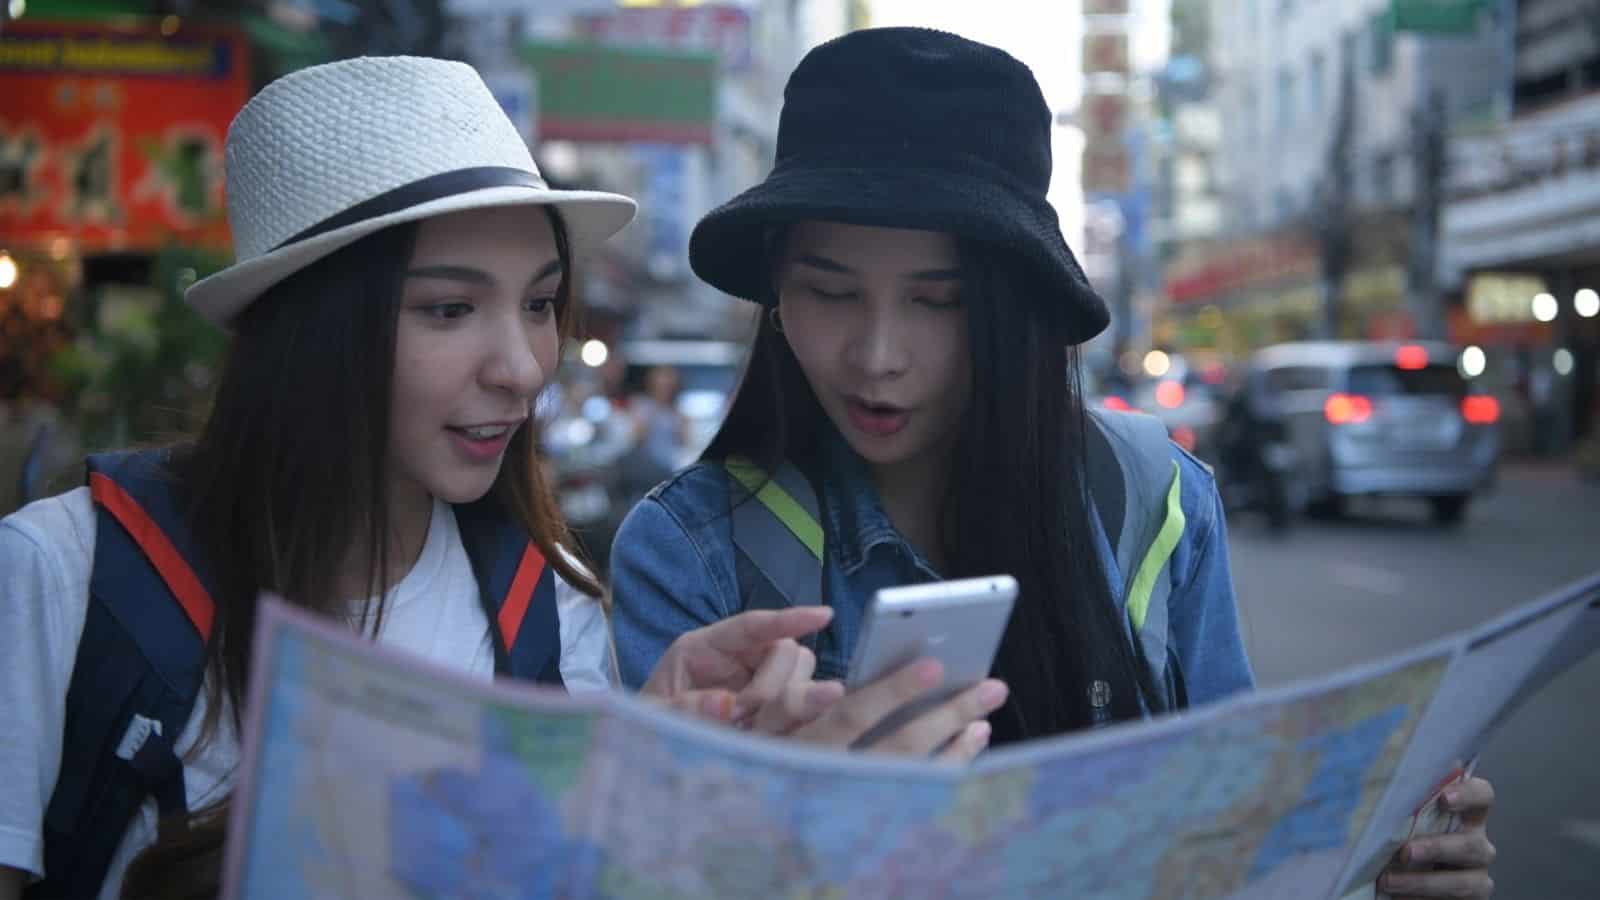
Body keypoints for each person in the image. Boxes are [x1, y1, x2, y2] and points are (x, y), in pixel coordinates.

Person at [609, 27, 1498, 900]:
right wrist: (765, 835)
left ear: (1015, 311)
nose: (878, 354)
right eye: (830, 291)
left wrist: (1371, 865)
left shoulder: (1157, 496)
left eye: (941, 301)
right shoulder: (689, 550)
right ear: (774, 296)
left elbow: (1234, 830)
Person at [0, 57, 882, 900]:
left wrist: (631, 779)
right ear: (310, 333)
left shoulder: (551, 613)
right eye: (449, 309)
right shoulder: (66, 576)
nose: (522, 367)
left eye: (539, 305)